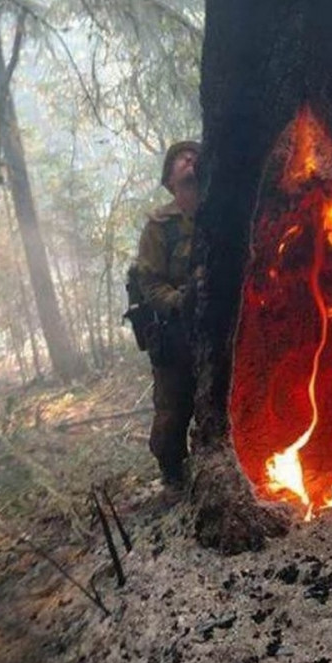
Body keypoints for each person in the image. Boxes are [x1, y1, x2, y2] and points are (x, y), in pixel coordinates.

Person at [136, 140, 201, 485]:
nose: (189, 160)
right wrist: (179, 301)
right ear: (170, 180)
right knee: (173, 410)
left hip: (216, 331)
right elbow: (150, 283)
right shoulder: (160, 227)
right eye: (180, 159)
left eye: (194, 156)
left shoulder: (222, 214)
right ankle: (173, 476)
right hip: (175, 334)